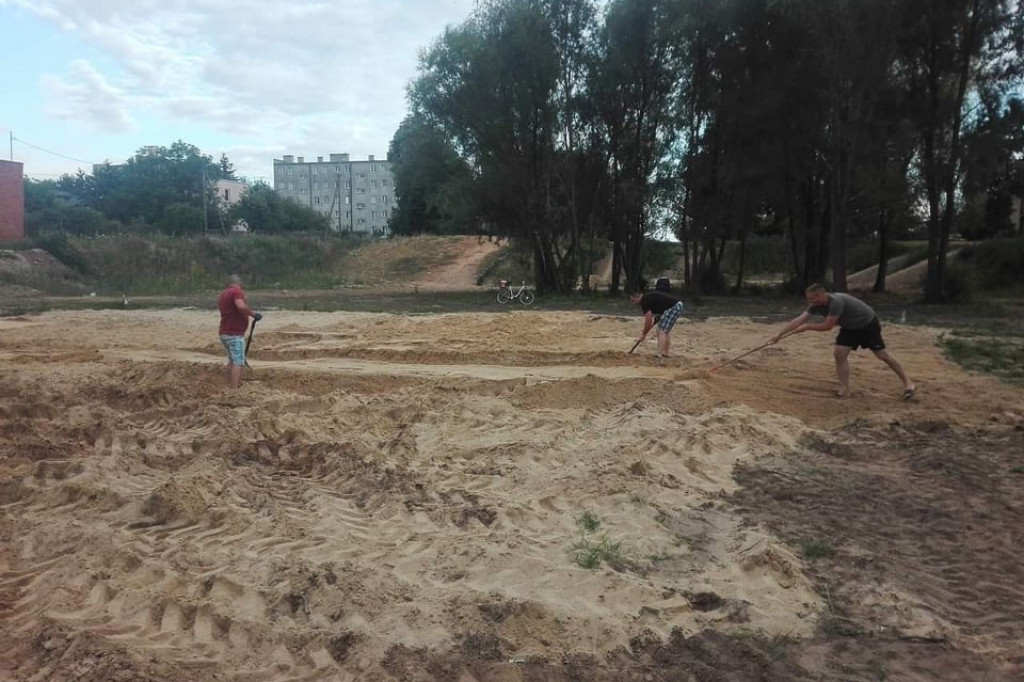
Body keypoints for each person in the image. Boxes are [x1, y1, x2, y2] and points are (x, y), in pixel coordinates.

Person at [771, 284, 915, 399]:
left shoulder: (836, 302)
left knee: (882, 355)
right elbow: (799, 319)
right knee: (839, 354)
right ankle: (844, 390)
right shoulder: (815, 305)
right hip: (849, 327)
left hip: (867, 323)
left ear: (821, 295)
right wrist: (779, 334)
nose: (810, 302)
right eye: (809, 299)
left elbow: (828, 326)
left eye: (812, 299)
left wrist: (808, 327)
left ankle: (908, 383)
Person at [218, 274, 262, 389]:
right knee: (238, 362)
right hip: (234, 333)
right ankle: (234, 389)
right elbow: (241, 306)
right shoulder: (237, 292)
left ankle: (228, 385)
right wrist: (253, 315)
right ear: (240, 283)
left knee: (232, 361)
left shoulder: (223, 294)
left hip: (225, 332)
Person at [631, 288, 685, 357]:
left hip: (674, 307)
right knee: (665, 330)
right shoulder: (648, 298)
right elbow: (661, 304)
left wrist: (643, 333)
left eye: (633, 301)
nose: (634, 303)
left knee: (661, 330)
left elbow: (648, 320)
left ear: (638, 296)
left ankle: (659, 354)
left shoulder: (645, 301)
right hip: (676, 306)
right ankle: (665, 353)